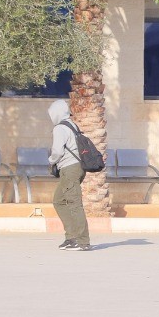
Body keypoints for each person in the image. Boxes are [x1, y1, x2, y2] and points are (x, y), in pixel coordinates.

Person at [47, 99, 90, 251]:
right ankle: (71, 237)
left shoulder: (60, 128)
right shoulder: (72, 125)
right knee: (59, 201)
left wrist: (51, 160)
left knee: (74, 203)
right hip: (77, 167)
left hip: (69, 168)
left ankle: (82, 241)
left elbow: (57, 151)